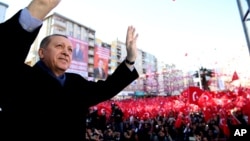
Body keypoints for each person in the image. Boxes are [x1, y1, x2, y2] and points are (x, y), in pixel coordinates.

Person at [0, 0, 139, 140]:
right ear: (41, 53)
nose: (66, 52)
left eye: (70, 49)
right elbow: (6, 54)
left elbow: (107, 88)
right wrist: (38, 9)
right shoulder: (18, 77)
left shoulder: (76, 83)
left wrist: (130, 59)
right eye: (59, 46)